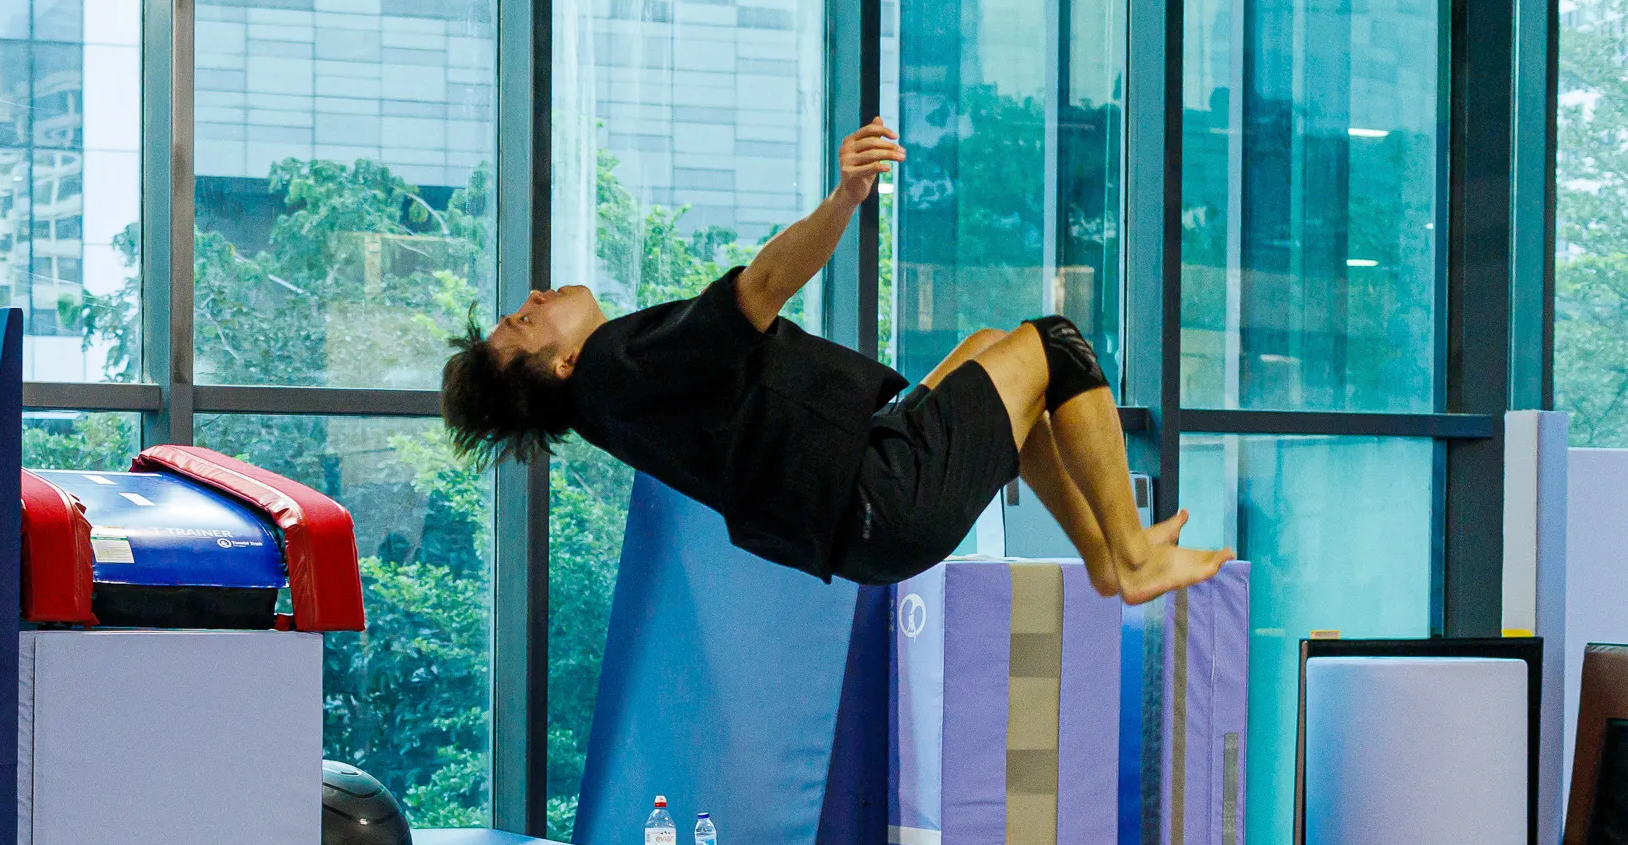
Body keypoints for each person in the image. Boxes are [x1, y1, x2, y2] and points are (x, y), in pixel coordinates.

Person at [440, 119, 1232, 604]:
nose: (537, 296)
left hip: (863, 507)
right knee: (1055, 345)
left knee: (994, 357)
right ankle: (1128, 554)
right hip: (875, 496)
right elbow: (760, 289)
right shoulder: (615, 364)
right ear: (561, 364)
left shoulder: (615, 400)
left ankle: (1101, 560)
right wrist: (846, 195)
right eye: (525, 318)